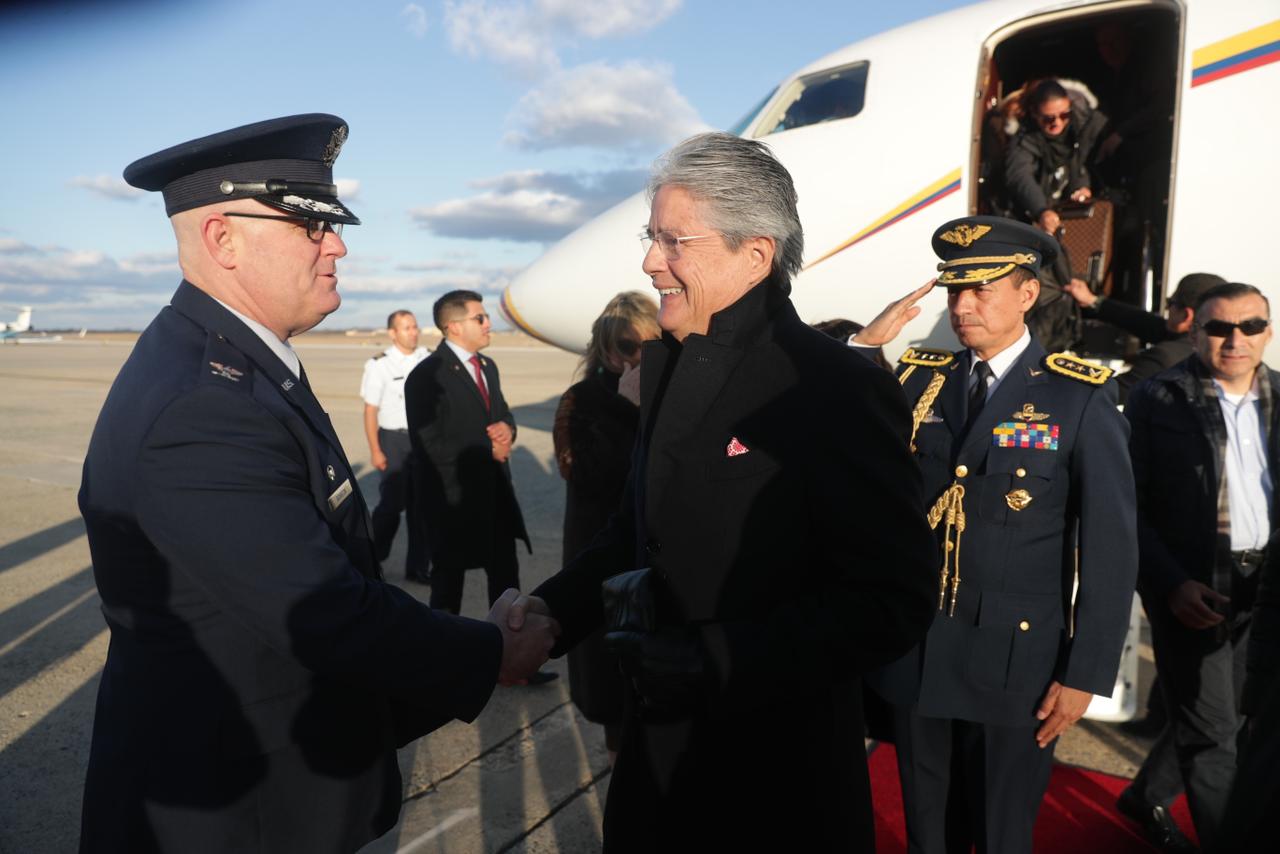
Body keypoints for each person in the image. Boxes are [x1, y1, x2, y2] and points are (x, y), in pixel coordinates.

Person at [76, 115, 558, 853]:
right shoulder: (203, 405)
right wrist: (489, 652)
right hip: (235, 817)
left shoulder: (236, 361)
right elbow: (322, 610)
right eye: (309, 224)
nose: (336, 244)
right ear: (221, 238)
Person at [506, 132, 939, 851]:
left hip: (774, 780)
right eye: (652, 238)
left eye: (674, 241)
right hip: (659, 765)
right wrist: (553, 612)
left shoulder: (834, 388)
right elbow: (633, 528)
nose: (650, 262)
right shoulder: (671, 366)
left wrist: (718, 658)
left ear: (756, 254)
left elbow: (892, 601)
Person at [852, 215, 1138, 854]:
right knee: (929, 831)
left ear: (1027, 294)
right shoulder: (923, 379)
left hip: (1016, 668)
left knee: (999, 835)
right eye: (955, 291)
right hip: (920, 656)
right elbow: (851, 442)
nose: (963, 306)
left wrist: (1086, 671)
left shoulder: (1079, 397)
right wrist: (865, 349)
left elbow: (1112, 551)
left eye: (981, 290)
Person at [1122, 281, 1277, 852]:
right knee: (1214, 736)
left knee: (1227, 716)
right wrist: (1168, 584)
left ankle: (1143, 796)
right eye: (1218, 327)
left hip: (1265, 588)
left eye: (1251, 326)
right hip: (1193, 586)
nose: (1235, 340)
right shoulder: (1157, 399)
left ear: (1268, 331)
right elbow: (1126, 508)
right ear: (1194, 332)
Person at [552, 291, 660, 762]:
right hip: (609, 557)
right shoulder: (582, 400)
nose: (638, 356)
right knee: (615, 687)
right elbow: (588, 476)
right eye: (626, 346)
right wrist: (627, 410)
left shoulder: (673, 386)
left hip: (662, 560)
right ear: (606, 348)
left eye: (648, 344)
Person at [403, 293, 533, 614]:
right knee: (448, 593)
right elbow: (428, 444)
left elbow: (503, 413)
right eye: (481, 318)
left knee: (507, 588)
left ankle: (510, 660)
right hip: (453, 502)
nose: (489, 324)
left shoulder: (488, 367)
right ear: (454, 327)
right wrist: (486, 447)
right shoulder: (427, 376)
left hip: (496, 498)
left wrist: (507, 429)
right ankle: (448, 663)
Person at [1062, 272, 1227, 404]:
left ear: (1186, 315)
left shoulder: (1165, 358)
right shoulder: (1213, 349)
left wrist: (1059, 368)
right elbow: (1148, 324)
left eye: (1171, 303)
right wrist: (1093, 301)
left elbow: (1107, 392)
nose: (1167, 309)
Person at [361, 309, 431, 583]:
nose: (413, 332)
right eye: (406, 328)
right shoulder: (380, 365)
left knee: (422, 509)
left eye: (415, 327)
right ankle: (372, 561)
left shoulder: (429, 358)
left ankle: (418, 568)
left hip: (423, 441)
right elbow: (370, 410)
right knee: (390, 507)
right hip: (393, 441)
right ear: (393, 333)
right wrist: (376, 449)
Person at [1005, 78, 1109, 236]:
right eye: (1048, 118)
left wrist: (1081, 186)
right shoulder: (1024, 139)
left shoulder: (1085, 124)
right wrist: (1041, 210)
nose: (1057, 123)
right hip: (1034, 216)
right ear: (1034, 113)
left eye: (1064, 115)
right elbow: (1019, 176)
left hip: (1071, 213)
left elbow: (1085, 160)